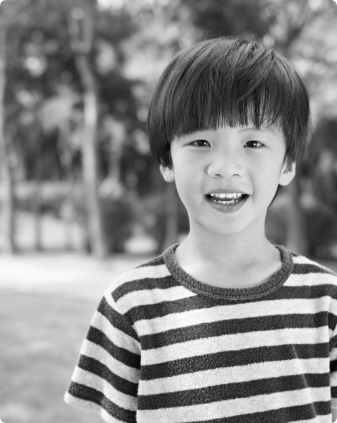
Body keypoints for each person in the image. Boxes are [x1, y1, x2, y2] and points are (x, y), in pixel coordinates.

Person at [64, 37, 337, 423]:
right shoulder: (129, 305)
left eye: (254, 142)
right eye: (201, 141)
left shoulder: (325, 301)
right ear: (166, 160)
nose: (225, 166)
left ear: (288, 164)